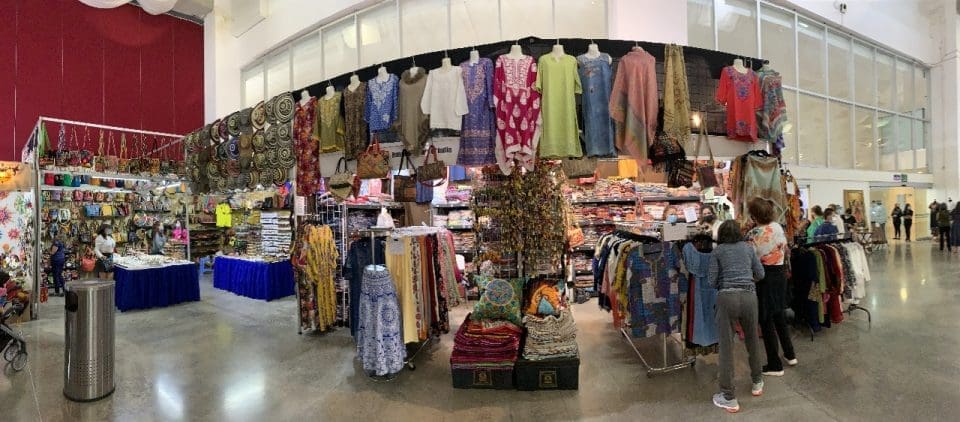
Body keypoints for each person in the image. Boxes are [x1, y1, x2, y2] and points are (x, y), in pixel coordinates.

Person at [709, 220, 765, 413]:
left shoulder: (717, 252)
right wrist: (747, 280)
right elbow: (761, 273)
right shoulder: (748, 248)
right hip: (749, 297)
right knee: (752, 340)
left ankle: (728, 397)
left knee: (726, 347)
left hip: (726, 298)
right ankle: (757, 382)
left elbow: (711, 281)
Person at [745, 198, 797, 377]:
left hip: (764, 278)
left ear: (754, 215)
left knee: (766, 320)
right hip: (780, 274)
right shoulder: (777, 227)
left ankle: (775, 364)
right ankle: (790, 354)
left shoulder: (753, 234)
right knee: (779, 314)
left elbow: (750, 258)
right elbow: (785, 249)